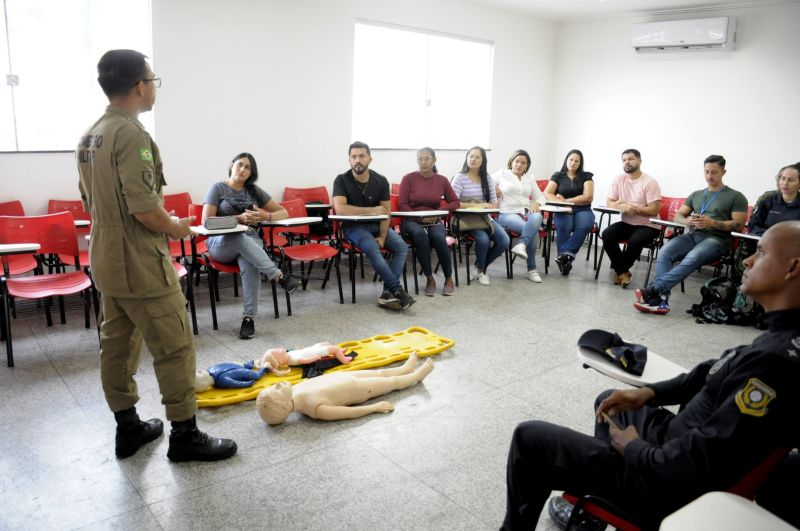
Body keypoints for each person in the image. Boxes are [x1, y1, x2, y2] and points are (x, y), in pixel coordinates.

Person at [502, 220, 800, 531]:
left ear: (792, 268)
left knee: (530, 437)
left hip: (665, 482)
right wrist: (649, 393)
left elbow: (701, 458)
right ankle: (599, 504)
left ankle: (614, 498)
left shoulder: (771, 363)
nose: (749, 260)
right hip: (674, 445)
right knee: (611, 403)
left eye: (762, 253)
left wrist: (634, 449)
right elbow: (708, 371)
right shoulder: (783, 335)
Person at [76, 49, 236, 462]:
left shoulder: (90, 134)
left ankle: (127, 427)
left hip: (105, 258)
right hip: (139, 259)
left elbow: (89, 199)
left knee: (116, 344)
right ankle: (185, 434)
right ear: (139, 86)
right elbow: (145, 209)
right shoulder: (132, 135)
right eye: (153, 80)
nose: (154, 88)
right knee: (174, 345)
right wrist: (180, 227)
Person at [202, 152, 299, 339]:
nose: (243, 170)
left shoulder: (254, 190)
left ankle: (248, 319)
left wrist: (265, 216)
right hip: (220, 242)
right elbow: (206, 221)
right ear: (232, 165)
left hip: (250, 241)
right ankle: (278, 276)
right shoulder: (218, 188)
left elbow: (284, 212)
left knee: (249, 262)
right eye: (240, 165)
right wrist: (238, 219)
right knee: (236, 233)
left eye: (248, 167)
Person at [635, 155, 748, 314]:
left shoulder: (736, 196)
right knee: (664, 253)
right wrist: (688, 222)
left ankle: (655, 290)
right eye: (706, 172)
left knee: (692, 258)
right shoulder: (696, 194)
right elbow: (678, 216)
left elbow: (738, 225)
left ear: (724, 172)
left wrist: (712, 223)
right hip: (693, 235)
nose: (709, 176)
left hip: (716, 240)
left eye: (714, 172)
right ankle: (659, 299)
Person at [332, 141, 415, 310]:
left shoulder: (381, 180)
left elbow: (386, 213)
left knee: (401, 247)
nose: (357, 160)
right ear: (349, 160)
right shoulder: (341, 180)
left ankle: (387, 293)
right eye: (353, 157)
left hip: (377, 226)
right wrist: (371, 211)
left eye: (362, 156)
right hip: (353, 227)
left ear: (370, 159)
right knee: (373, 249)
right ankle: (397, 290)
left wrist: (383, 237)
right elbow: (341, 209)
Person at [256, 352, 434, 424]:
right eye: (278, 389)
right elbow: (347, 412)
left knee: (381, 372)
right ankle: (417, 375)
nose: (278, 384)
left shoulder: (294, 390)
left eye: (275, 385)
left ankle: (405, 369)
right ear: (285, 406)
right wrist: (374, 408)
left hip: (347, 377)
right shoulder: (315, 409)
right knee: (393, 382)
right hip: (362, 390)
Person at [398, 147, 460, 296]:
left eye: (427, 158)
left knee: (439, 238)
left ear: (434, 160)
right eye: (420, 158)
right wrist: (420, 218)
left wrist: (438, 212)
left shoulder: (442, 180)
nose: (423, 162)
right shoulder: (408, 178)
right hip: (411, 219)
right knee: (420, 236)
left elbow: (455, 202)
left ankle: (448, 277)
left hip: (433, 219)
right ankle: (429, 278)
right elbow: (402, 205)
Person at [601, 149, 662, 287]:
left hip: (649, 225)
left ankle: (620, 271)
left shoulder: (650, 182)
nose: (627, 162)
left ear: (640, 161)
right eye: (624, 160)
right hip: (627, 223)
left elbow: (654, 210)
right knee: (607, 234)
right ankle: (622, 272)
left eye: (631, 159)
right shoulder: (618, 179)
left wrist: (633, 209)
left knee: (636, 240)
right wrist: (618, 205)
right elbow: (609, 201)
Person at [450, 146, 510, 285]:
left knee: (504, 241)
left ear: (483, 161)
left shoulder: (487, 178)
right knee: (483, 239)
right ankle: (482, 272)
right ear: (466, 158)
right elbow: (453, 203)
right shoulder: (459, 178)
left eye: (477, 157)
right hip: (466, 219)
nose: (473, 159)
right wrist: (477, 205)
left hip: (484, 218)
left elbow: (494, 202)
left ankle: (479, 268)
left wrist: (489, 206)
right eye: (471, 156)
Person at [493, 149, 545, 283]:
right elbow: (484, 184)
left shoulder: (529, 179)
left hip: (526, 212)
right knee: (532, 232)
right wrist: (495, 188)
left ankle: (521, 245)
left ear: (527, 165)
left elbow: (540, 196)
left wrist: (536, 203)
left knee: (538, 216)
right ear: (511, 161)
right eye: (517, 161)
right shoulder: (502, 174)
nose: (519, 165)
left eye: (523, 163)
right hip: (506, 213)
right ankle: (532, 270)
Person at [544, 149, 595, 276]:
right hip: (563, 209)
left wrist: (567, 200)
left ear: (580, 163)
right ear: (566, 160)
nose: (573, 163)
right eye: (571, 160)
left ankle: (564, 256)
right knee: (564, 227)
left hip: (583, 209)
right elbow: (548, 193)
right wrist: (563, 204)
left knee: (584, 226)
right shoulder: (558, 175)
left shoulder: (586, 176)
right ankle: (565, 261)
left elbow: (588, 197)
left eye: (576, 161)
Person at [748, 162, 800, 236]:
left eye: (791, 180)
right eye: (783, 178)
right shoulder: (768, 200)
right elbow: (754, 224)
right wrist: (766, 236)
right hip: (767, 242)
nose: (785, 183)